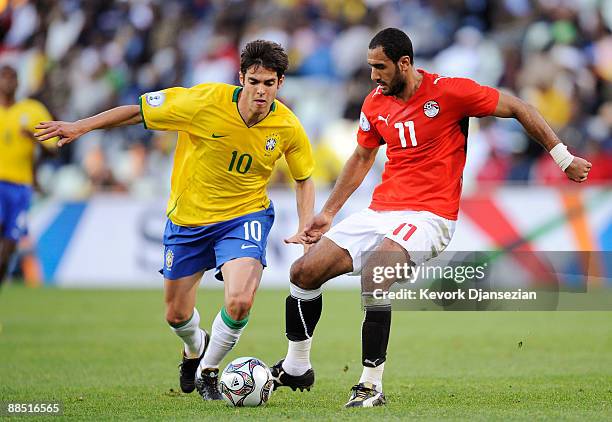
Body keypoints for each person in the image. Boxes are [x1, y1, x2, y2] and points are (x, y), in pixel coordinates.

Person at [271, 28, 592, 408]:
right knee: (303, 273)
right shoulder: (375, 103)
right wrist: (328, 212)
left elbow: (521, 108)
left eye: (380, 67)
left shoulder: (451, 92)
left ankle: (370, 385)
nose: (373, 75)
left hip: (430, 216)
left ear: (404, 63)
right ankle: (296, 366)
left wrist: (563, 158)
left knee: (377, 275)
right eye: (370, 67)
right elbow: (361, 157)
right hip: (381, 211)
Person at [35, 40, 315, 400]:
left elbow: (304, 177)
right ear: (241, 78)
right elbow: (137, 111)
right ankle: (195, 347)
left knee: (240, 300)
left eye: (269, 83)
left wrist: (306, 225)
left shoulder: (288, 126)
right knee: (176, 314)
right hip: (189, 220)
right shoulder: (202, 102)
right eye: (254, 81)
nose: (261, 91)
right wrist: (81, 126)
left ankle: (208, 371)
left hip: (245, 216)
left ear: (280, 84)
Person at [0, 64, 55, 287]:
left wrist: (34, 138)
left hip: (20, 187)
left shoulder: (32, 111)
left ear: (18, 82)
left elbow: (53, 149)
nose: (8, 82)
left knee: (10, 245)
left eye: (12, 77)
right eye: (4, 77)